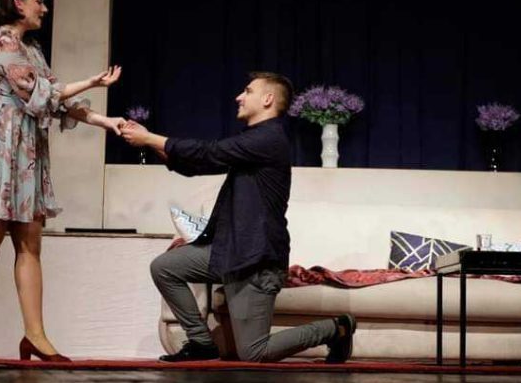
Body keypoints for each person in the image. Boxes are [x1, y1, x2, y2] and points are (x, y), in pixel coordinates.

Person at [0, 0, 124, 361]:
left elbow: (59, 101)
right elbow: (39, 93)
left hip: (26, 152)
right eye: (38, 0)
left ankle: (35, 335)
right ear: (18, 2)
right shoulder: (2, 43)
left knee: (30, 245)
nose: (44, 8)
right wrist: (91, 81)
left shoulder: (32, 49)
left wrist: (105, 122)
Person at [120, 71, 356, 363]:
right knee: (165, 267)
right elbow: (198, 164)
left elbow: (209, 152)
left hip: (255, 260)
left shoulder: (269, 138)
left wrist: (149, 137)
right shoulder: (254, 141)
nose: (239, 97)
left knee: (254, 352)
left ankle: (336, 329)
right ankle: (201, 342)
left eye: (247, 91)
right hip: (230, 252)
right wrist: (148, 142)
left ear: (268, 99)